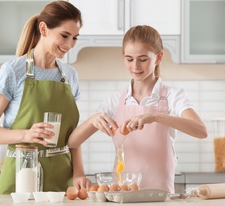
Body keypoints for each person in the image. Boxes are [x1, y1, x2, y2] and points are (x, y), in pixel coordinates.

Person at [68, 25, 207, 193]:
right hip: (121, 196)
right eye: (129, 59)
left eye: (143, 59)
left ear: (159, 57)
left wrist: (155, 116)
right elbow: (73, 142)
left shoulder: (172, 96)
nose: (135, 66)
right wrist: (93, 120)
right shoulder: (115, 101)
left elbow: (201, 131)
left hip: (160, 197)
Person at [0, 0, 91, 194]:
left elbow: (72, 136)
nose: (69, 44)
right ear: (44, 29)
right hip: (20, 176)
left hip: (63, 180)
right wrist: (26, 134)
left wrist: (79, 173)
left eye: (74, 38)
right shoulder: (13, 71)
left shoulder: (69, 75)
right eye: (64, 35)